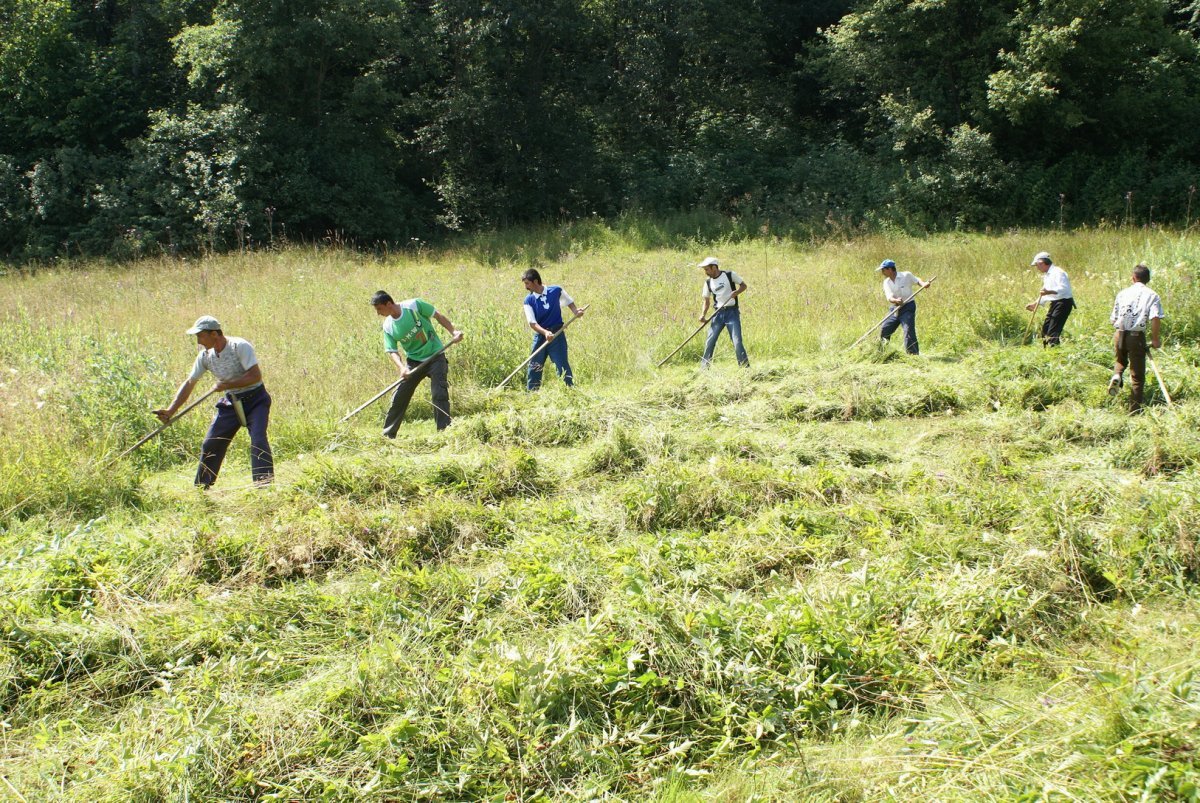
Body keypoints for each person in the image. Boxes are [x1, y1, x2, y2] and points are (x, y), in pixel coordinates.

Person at [153, 315, 273, 488]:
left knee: (258, 440)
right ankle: (202, 487)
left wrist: (228, 384)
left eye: (201, 336)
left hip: (256, 400)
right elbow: (189, 383)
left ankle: (264, 486)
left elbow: (255, 376)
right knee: (211, 442)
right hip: (230, 402)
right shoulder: (205, 356)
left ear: (215, 334)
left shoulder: (239, 346)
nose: (198, 341)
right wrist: (171, 410)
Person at [370, 291, 464, 436]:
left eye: (379, 309)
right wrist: (402, 368)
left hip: (435, 356)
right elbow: (392, 350)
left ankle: (444, 433)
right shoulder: (388, 326)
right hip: (414, 363)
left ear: (388, 304)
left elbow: (437, 315)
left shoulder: (414, 305)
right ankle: (388, 435)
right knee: (399, 396)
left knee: (439, 393)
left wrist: (453, 331)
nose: (378, 313)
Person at [1108, 263, 1164, 414]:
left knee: (1120, 360)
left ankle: (1117, 375)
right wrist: (1155, 339)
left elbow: (1113, 319)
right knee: (1137, 375)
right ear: (1148, 279)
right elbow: (1155, 317)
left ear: (1133, 278)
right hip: (1136, 336)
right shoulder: (1152, 295)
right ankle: (1134, 411)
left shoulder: (1122, 293)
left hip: (1119, 333)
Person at [521, 268, 584, 390]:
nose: (526, 287)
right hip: (541, 336)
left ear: (535, 281)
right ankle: (532, 394)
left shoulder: (556, 291)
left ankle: (570, 392)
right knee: (535, 365)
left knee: (562, 365)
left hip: (557, 334)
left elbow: (569, 301)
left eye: (527, 283)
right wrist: (545, 332)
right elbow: (532, 323)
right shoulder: (529, 300)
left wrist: (576, 311)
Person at [698, 257, 749, 367]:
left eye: (707, 269)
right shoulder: (708, 283)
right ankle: (704, 368)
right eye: (705, 270)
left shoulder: (729, 275)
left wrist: (737, 292)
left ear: (714, 267)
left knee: (737, 341)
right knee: (709, 341)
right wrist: (703, 315)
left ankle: (745, 368)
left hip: (732, 313)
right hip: (717, 314)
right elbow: (706, 301)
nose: (706, 272)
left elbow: (744, 285)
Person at [876, 259, 932, 354]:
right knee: (885, 328)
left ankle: (913, 356)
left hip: (908, 306)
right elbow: (889, 297)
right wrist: (895, 300)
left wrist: (924, 284)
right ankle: (881, 353)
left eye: (883, 270)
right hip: (894, 308)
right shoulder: (886, 282)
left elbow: (917, 280)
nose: (882, 272)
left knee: (908, 330)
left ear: (890, 269)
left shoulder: (906, 275)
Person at [1026, 251, 1075, 346]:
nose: (1037, 268)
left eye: (1037, 265)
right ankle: (1046, 351)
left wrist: (1049, 291)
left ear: (1042, 263)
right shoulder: (1047, 275)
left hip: (1064, 303)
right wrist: (1035, 303)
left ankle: (1054, 352)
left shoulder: (1058, 272)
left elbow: (1064, 288)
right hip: (1055, 303)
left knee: (1053, 331)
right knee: (1045, 329)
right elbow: (1044, 293)